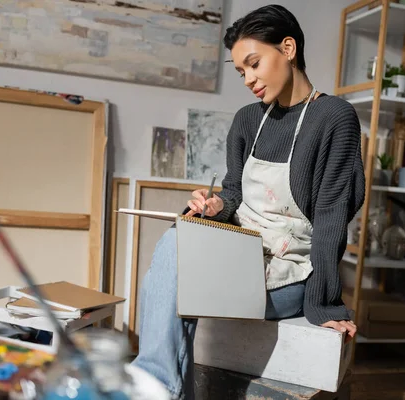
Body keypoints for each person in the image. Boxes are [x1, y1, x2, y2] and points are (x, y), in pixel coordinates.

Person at [131, 4, 365, 399]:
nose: (249, 79)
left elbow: (331, 215)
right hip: (240, 253)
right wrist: (214, 206)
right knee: (178, 238)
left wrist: (324, 303)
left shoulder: (335, 118)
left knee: (184, 287)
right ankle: (156, 386)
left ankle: (154, 387)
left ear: (288, 48)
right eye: (242, 72)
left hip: (291, 268)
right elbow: (235, 194)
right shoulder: (245, 120)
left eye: (254, 64)